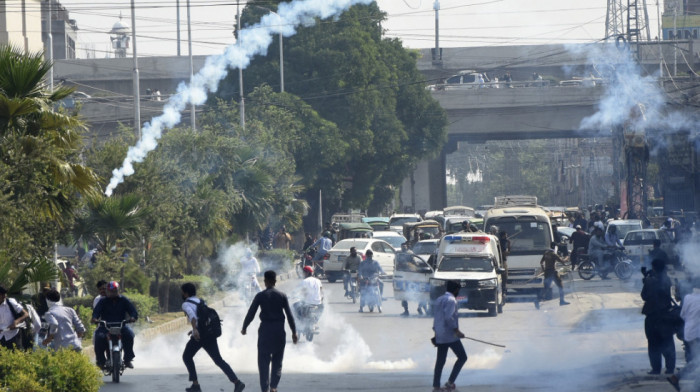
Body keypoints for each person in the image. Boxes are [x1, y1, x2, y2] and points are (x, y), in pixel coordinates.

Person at [181, 283, 246, 392]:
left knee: (187, 356)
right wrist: (194, 329)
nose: (181, 294)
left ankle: (196, 385)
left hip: (199, 336)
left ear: (186, 293)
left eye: (182, 292)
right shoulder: (201, 301)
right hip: (209, 334)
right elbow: (202, 319)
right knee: (218, 360)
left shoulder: (186, 304)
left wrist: (195, 330)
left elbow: (192, 317)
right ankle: (237, 382)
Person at [241, 271, 298, 392]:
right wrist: (294, 332)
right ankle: (273, 387)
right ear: (275, 281)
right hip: (279, 331)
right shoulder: (282, 295)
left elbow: (251, 313)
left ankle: (265, 389)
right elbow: (289, 315)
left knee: (263, 362)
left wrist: (244, 327)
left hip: (265, 332)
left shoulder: (260, 296)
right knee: (277, 362)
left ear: (265, 281)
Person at [92, 281, 138, 369]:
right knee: (98, 337)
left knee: (130, 335)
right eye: (111, 291)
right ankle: (101, 361)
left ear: (118, 290)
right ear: (107, 291)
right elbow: (96, 312)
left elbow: (133, 311)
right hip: (105, 327)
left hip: (121, 325)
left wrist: (133, 317)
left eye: (115, 291)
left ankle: (128, 359)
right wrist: (95, 318)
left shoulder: (124, 300)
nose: (113, 293)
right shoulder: (102, 301)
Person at [641, 258, 675, 375]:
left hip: (652, 316)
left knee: (653, 343)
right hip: (666, 315)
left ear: (654, 267)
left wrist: (646, 279)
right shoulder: (667, 279)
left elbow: (644, 296)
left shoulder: (649, 281)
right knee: (668, 342)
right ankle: (670, 368)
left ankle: (656, 369)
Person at [432, 280, 467, 392]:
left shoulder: (439, 299)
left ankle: (436, 387)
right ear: (456, 290)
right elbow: (448, 317)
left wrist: (436, 333)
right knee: (462, 357)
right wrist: (457, 331)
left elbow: (437, 318)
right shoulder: (452, 300)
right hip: (450, 335)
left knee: (440, 361)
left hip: (440, 334)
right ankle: (450, 383)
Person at [536, 243, 570, 308]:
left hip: (547, 273)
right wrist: (566, 258)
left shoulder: (546, 253)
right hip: (553, 272)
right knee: (560, 286)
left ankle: (537, 301)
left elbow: (541, 263)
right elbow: (562, 261)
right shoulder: (553, 254)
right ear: (555, 247)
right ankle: (562, 301)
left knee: (546, 288)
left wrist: (543, 269)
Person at [0, 285, 29, 350]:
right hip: (1, 337)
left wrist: (16, 322)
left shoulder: (10, 302)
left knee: (16, 356)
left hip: (13, 336)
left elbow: (26, 314)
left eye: (5, 295)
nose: (4, 296)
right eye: (2, 295)